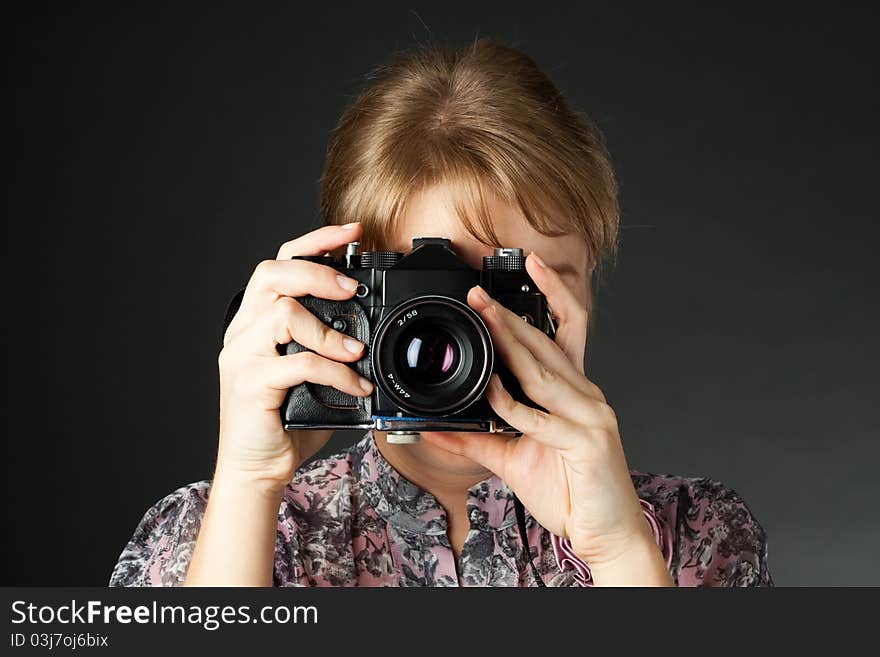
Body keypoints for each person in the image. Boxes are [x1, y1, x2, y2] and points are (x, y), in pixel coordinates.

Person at [110, 39, 772, 587]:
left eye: (523, 294)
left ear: (586, 287)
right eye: (442, 297)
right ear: (343, 293)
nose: (474, 338)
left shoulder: (696, 534)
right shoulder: (210, 537)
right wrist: (249, 487)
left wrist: (621, 550)